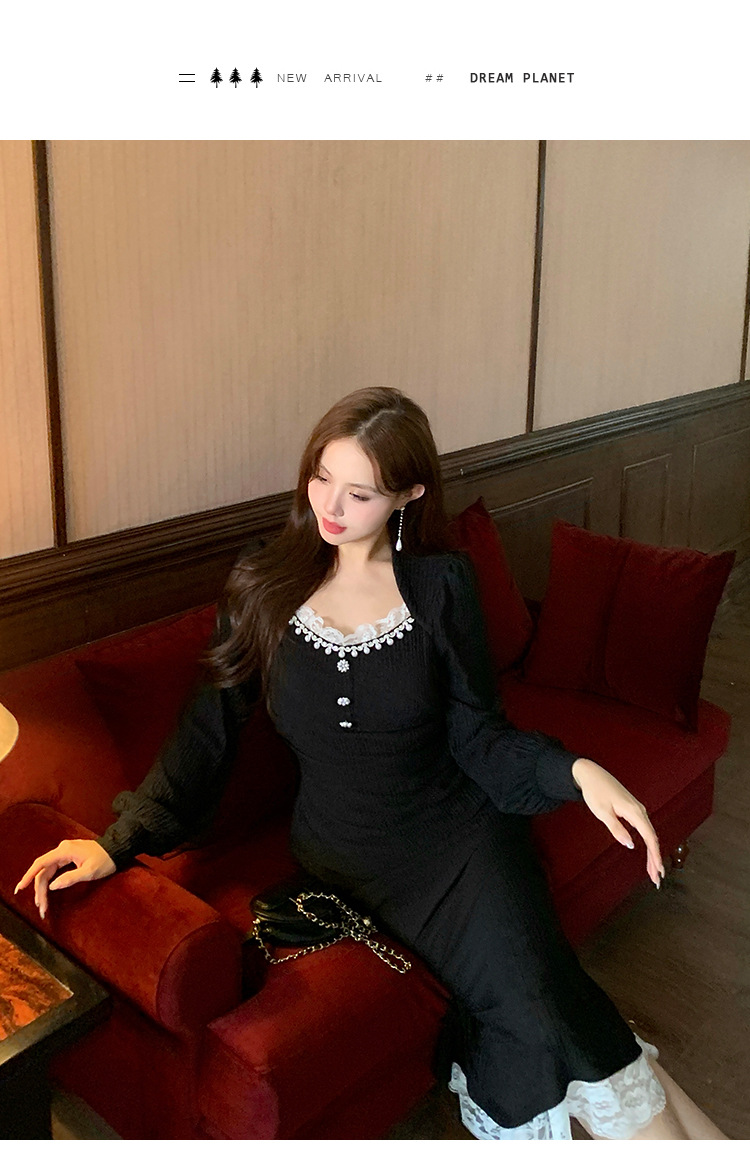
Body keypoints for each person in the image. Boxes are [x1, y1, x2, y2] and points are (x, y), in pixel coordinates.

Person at [16, 388, 726, 1140]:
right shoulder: (262, 583)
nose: (330, 505)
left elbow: (480, 737)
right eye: (322, 477)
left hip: (462, 844)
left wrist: (578, 772)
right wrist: (115, 842)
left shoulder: (441, 584)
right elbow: (205, 738)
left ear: (407, 495)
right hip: (342, 854)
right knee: (547, 1001)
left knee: (541, 1001)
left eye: (359, 493)